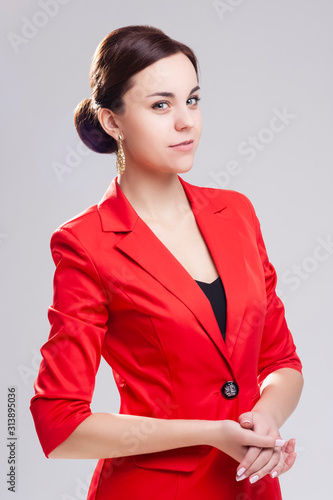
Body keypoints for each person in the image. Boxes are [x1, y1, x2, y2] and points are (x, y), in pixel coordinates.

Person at [30, 25, 303, 500]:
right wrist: (211, 432)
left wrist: (268, 418)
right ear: (112, 122)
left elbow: (280, 360)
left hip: (253, 488)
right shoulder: (85, 244)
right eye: (161, 105)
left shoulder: (236, 212)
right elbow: (59, 424)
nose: (186, 122)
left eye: (192, 100)